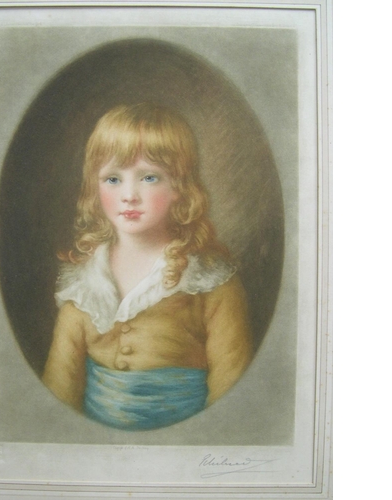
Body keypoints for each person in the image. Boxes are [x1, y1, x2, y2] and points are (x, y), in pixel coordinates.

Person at [42, 103, 253, 431]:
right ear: (95, 188)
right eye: (113, 179)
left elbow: (231, 390)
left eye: (149, 177)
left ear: (179, 187)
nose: (129, 195)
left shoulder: (211, 282)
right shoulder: (82, 284)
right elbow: (60, 389)